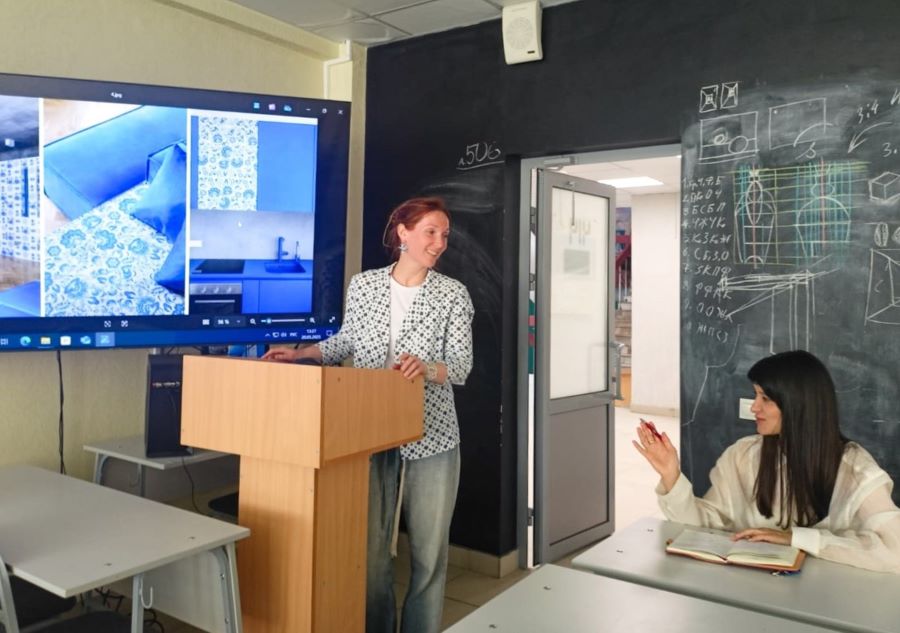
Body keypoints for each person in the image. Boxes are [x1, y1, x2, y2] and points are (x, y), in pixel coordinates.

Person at [262, 196, 474, 632]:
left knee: (429, 554)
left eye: (444, 235)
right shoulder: (365, 285)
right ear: (403, 233)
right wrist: (301, 354)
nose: (439, 243)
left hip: (432, 435)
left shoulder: (452, 293)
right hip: (370, 432)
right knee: (371, 553)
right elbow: (346, 342)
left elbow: (461, 366)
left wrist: (427, 367)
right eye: (431, 232)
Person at [634, 349, 900, 573]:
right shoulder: (742, 455)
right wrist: (671, 475)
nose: (754, 407)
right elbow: (704, 526)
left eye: (766, 398)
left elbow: (895, 551)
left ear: (798, 405)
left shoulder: (854, 469)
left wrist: (794, 538)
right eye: (755, 395)